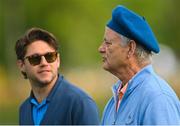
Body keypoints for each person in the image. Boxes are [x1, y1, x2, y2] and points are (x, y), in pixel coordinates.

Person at [98, 5, 180, 125]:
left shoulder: (157, 99)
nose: (100, 48)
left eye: (108, 43)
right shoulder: (114, 102)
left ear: (130, 48)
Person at [15, 27, 99, 125]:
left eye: (50, 56)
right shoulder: (24, 110)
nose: (44, 63)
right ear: (21, 65)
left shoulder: (80, 103)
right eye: (35, 58)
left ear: (58, 60)